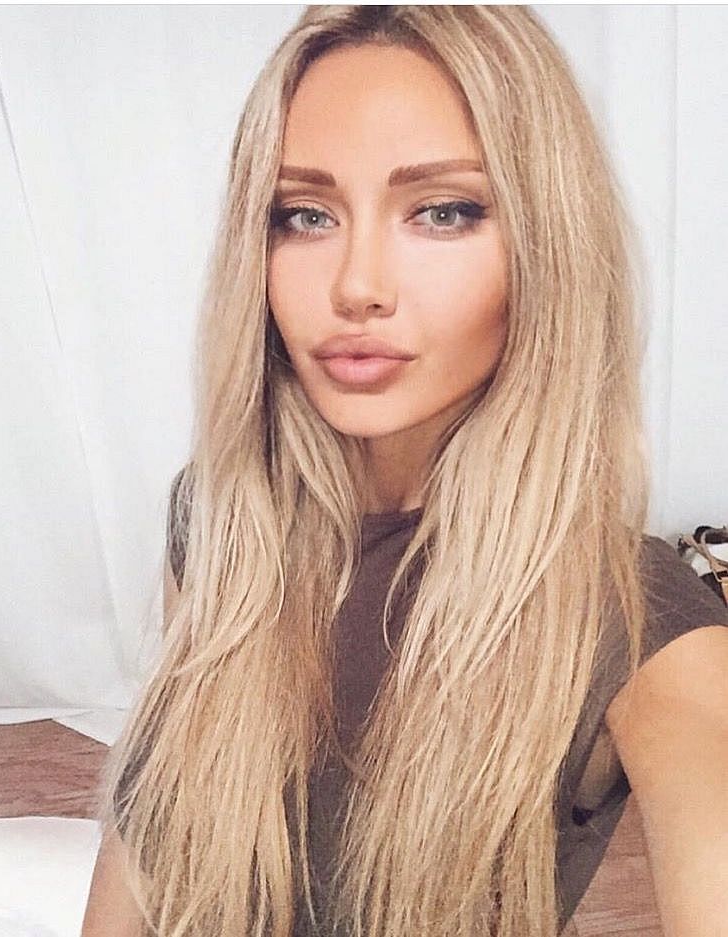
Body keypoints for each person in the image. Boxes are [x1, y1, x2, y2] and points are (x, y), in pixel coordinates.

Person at [82, 6, 728, 937]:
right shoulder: (223, 519)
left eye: (443, 211)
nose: (357, 285)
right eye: (305, 215)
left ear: (547, 248)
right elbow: (149, 838)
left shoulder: (643, 628)